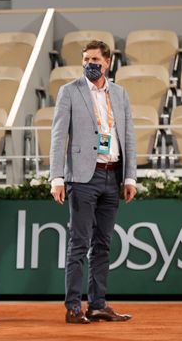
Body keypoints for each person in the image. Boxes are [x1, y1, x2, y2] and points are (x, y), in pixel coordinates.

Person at [49, 40, 137, 324]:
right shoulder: (69, 91)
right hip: (83, 177)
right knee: (79, 243)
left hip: (113, 175)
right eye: (86, 59)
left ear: (108, 62)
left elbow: (129, 137)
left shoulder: (120, 94)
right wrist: (57, 177)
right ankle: (73, 307)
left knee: (103, 245)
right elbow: (58, 137)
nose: (90, 64)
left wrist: (130, 176)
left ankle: (98, 304)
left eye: (95, 59)